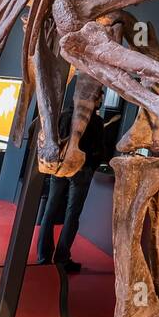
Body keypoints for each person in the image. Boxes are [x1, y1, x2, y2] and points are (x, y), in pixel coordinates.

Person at [36, 101, 108, 273]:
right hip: (81, 171)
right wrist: (90, 165)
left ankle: (43, 256)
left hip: (59, 169)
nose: (100, 100)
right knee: (72, 213)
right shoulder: (95, 121)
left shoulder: (63, 115)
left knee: (50, 210)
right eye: (98, 96)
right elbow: (100, 150)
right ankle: (62, 259)